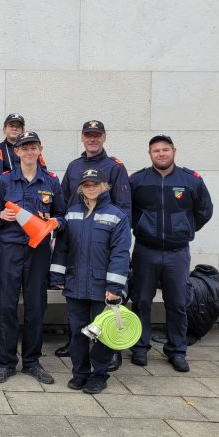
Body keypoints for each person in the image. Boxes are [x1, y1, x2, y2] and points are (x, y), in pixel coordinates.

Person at [129, 135, 213, 372]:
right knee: (141, 301)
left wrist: (183, 228)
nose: (161, 154)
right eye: (156, 150)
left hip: (177, 252)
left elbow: (204, 211)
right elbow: (128, 210)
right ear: (150, 154)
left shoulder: (191, 180)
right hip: (145, 251)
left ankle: (177, 350)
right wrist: (142, 227)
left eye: (165, 149)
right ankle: (139, 347)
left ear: (174, 151)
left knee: (177, 303)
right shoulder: (138, 180)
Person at [0, 131, 66, 385]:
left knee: (36, 308)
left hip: (39, 252)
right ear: (17, 151)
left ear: (40, 150)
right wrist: (0, 216)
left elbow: (62, 215)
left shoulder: (51, 181)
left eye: (33, 147)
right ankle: (6, 363)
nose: (29, 151)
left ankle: (32, 362)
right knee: (7, 307)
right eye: (25, 147)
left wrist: (55, 222)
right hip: (10, 250)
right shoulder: (4, 181)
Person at [55, 120, 131, 368]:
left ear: (104, 137)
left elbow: (124, 207)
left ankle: (111, 354)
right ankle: (76, 350)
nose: (92, 139)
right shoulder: (74, 166)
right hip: (79, 244)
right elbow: (65, 203)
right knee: (78, 314)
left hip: (103, 244)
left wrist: (116, 238)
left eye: (97, 135)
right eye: (88, 134)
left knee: (105, 314)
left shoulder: (115, 166)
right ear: (82, 137)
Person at [49, 168, 131, 394]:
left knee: (102, 333)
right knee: (77, 332)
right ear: (81, 188)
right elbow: (62, 248)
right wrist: (57, 276)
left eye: (95, 184)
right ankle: (80, 373)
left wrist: (115, 287)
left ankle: (99, 375)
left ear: (104, 186)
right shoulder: (72, 213)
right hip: (75, 284)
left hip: (102, 287)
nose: (91, 188)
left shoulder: (117, 216)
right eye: (86, 184)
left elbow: (120, 254)